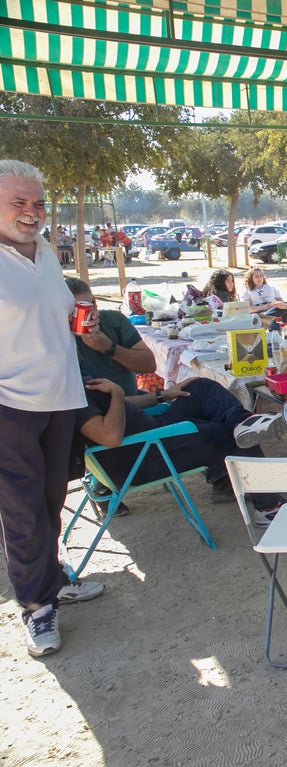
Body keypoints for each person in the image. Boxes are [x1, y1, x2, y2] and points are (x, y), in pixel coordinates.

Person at [0, 160, 103, 659]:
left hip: (61, 397)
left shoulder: (44, 252)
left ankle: (53, 579)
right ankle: (37, 605)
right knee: (21, 510)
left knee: (50, 499)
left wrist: (79, 325)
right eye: (18, 202)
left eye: (38, 202)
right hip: (10, 405)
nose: (32, 211)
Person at [75, 376, 286, 521]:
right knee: (229, 434)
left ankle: (244, 422)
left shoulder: (75, 379)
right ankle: (268, 508)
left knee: (200, 387)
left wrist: (162, 395)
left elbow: (118, 404)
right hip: (147, 454)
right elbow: (109, 436)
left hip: (153, 432)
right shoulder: (73, 391)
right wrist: (116, 393)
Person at [64, 277, 156, 395]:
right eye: (76, 311)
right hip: (98, 404)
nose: (88, 316)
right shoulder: (59, 336)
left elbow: (149, 365)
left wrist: (110, 348)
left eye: (89, 306)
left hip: (131, 398)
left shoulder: (114, 320)